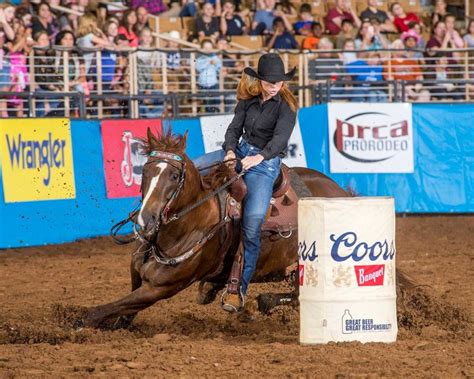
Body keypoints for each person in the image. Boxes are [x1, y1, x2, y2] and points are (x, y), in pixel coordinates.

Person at [196, 39, 222, 113]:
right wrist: (208, 62)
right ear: (202, 48)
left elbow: (219, 67)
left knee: (215, 100)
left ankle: (215, 112)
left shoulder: (215, 57)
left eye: (209, 48)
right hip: (203, 83)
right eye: (206, 48)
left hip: (213, 82)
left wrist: (215, 64)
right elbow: (198, 68)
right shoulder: (200, 58)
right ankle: (207, 112)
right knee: (205, 101)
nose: (208, 50)